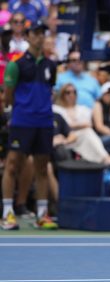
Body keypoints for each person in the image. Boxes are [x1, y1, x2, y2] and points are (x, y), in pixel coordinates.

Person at [1, 21, 58, 230]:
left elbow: (49, 91)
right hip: (22, 121)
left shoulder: (51, 65)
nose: (39, 37)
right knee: (13, 164)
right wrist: (21, 110)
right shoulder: (16, 64)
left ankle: (42, 215)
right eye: (35, 33)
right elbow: (9, 96)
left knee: (42, 167)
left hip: (44, 122)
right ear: (27, 37)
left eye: (42, 33)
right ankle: (8, 213)